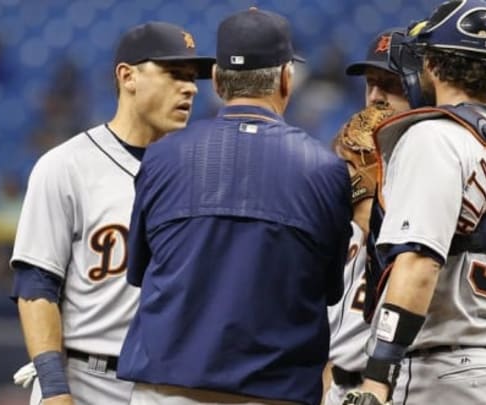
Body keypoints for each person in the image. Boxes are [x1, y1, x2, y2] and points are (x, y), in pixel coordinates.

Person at [116, 8, 352, 405]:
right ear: (284, 78)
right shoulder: (325, 169)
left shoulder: (160, 157)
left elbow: (138, 270)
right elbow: (330, 290)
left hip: (168, 392)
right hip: (275, 392)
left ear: (218, 81)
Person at [344, 1, 486, 404]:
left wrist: (377, 376)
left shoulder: (432, 138)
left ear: (430, 64)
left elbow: (419, 265)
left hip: (443, 374)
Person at [9, 22, 214, 405]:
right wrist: (53, 387)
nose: (190, 87)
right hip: (84, 378)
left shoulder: (202, 171)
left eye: (192, 78)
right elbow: (36, 285)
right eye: (174, 74)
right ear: (127, 76)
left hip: (170, 384)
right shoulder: (66, 165)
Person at [322, 28, 409, 405]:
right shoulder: (341, 164)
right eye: (371, 84)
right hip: (335, 384)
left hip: (404, 384)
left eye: (389, 85)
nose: (375, 96)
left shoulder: (437, 170)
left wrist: (367, 203)